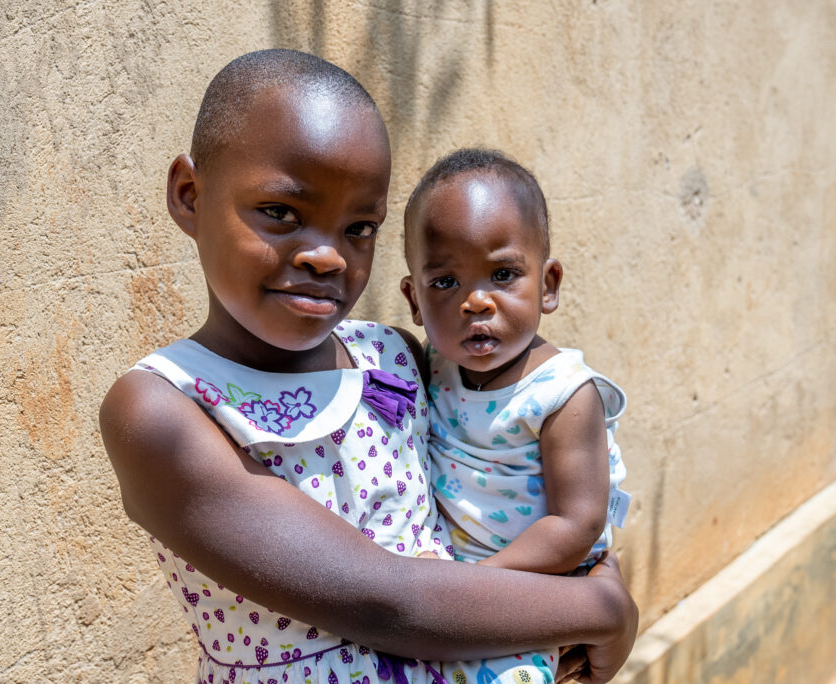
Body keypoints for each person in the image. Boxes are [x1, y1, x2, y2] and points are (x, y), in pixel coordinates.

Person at [100, 49, 637, 684]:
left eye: (360, 227)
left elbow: (514, 469)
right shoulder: (162, 410)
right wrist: (599, 608)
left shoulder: (393, 359)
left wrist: (589, 557)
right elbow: (387, 601)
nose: (329, 257)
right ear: (191, 195)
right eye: (281, 213)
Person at [400, 149, 630, 579]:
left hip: (542, 585)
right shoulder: (430, 366)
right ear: (415, 300)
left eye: (502, 274)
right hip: (455, 580)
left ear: (548, 285)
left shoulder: (563, 395)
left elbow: (577, 525)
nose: (476, 302)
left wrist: (476, 581)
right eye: (446, 282)